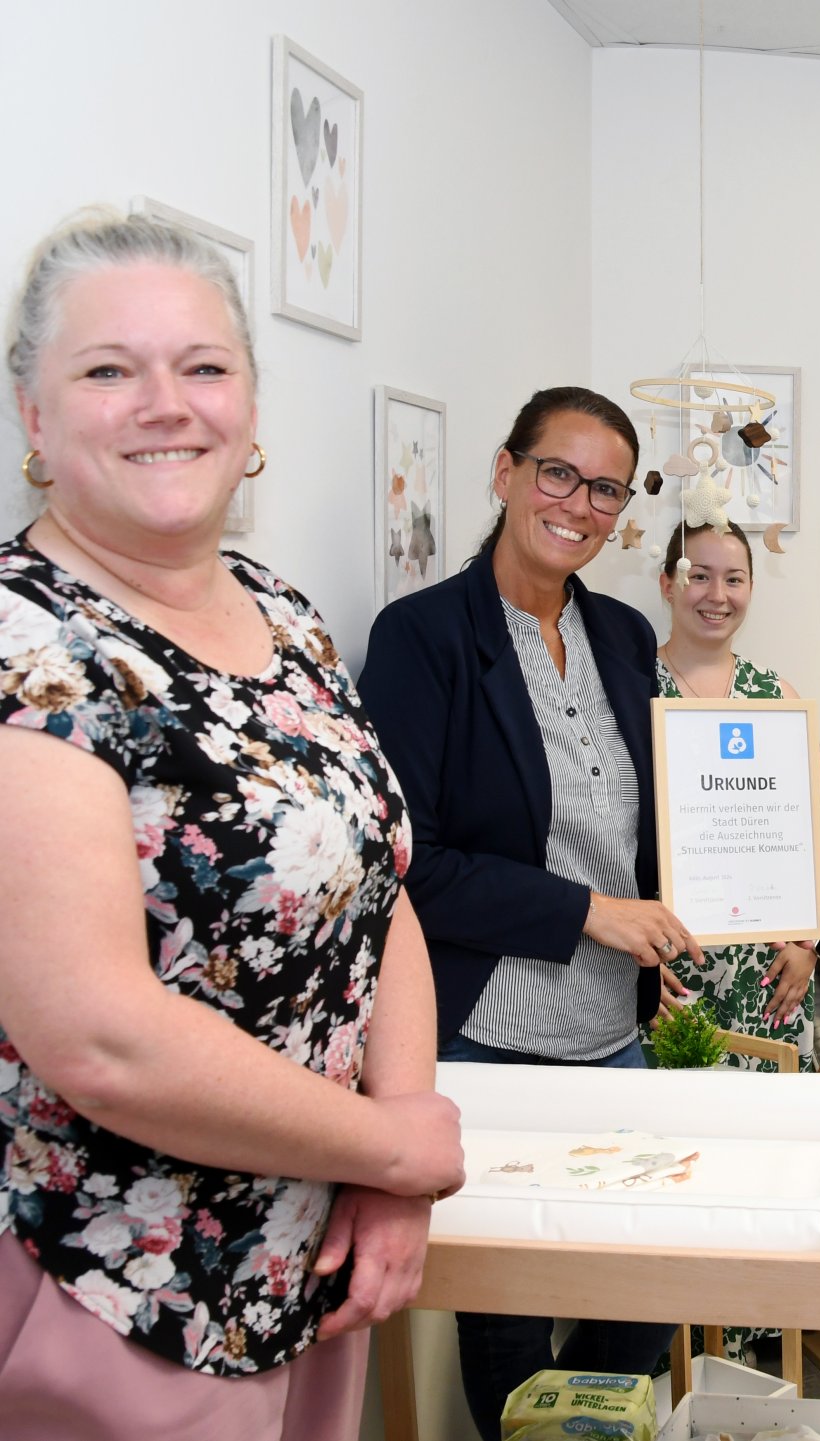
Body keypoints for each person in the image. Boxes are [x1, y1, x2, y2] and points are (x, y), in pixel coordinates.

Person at [0, 211, 462, 1438]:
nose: (167, 403)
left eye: (203, 367)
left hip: (305, 1264)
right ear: (34, 418)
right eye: (109, 370)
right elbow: (100, 1037)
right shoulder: (26, 645)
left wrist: (393, 1153)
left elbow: (378, 890)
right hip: (107, 1287)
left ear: (249, 404)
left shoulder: (286, 617)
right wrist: (395, 1146)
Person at [357, 386, 689, 1433]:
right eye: (559, 473)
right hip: (485, 1035)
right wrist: (595, 912)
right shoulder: (423, 639)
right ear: (505, 472)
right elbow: (414, 864)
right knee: (506, 1328)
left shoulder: (628, 635)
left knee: (643, 1292)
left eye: (606, 489)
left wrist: (677, 914)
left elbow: (647, 823)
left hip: (610, 1028)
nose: (579, 504)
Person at [652, 518, 820, 1071]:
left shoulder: (776, 696)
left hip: (768, 972)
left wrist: (809, 946)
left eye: (734, 579)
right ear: (667, 583)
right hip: (662, 969)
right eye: (699, 576)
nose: (717, 595)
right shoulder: (629, 688)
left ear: (752, 589)